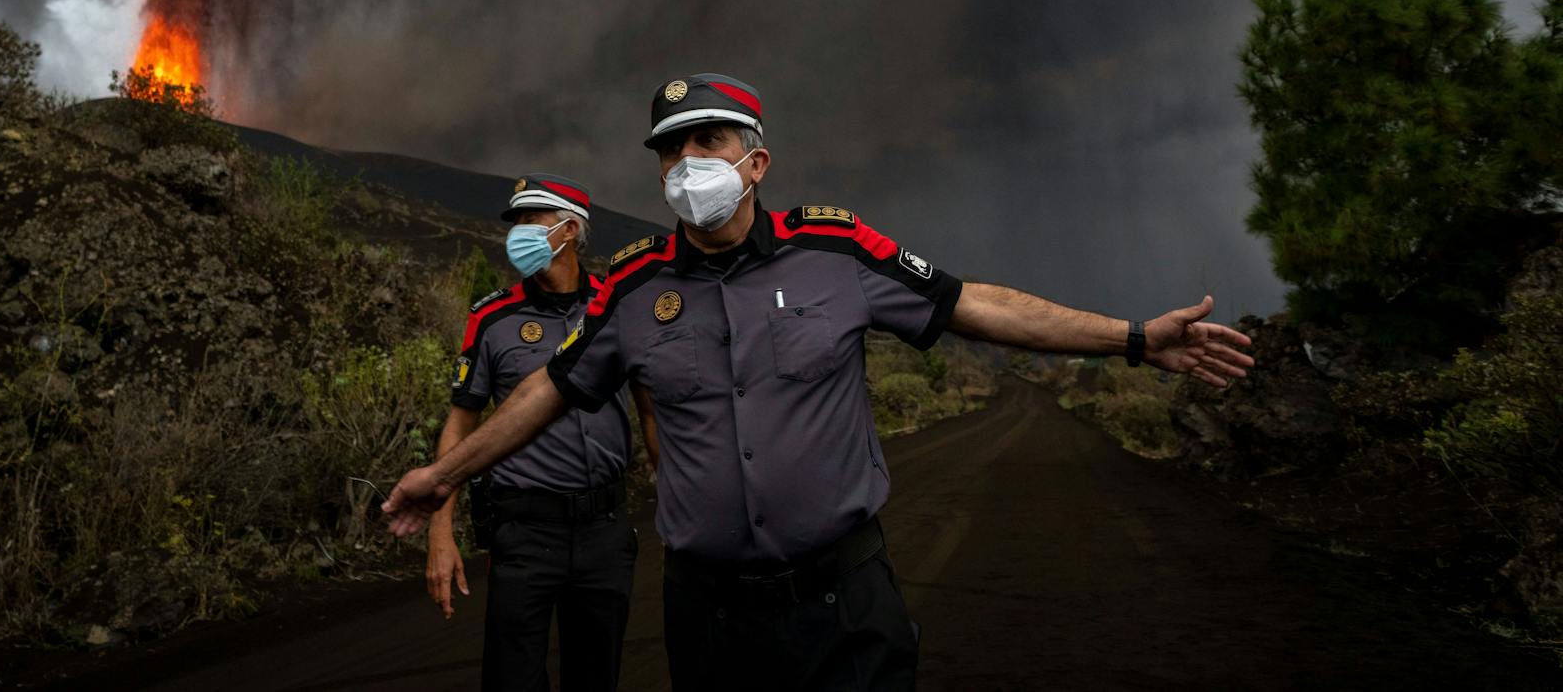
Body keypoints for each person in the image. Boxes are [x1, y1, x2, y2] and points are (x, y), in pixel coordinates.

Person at [387, 76, 1255, 691]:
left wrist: (1134, 338)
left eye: (708, 142)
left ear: (756, 162)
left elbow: (975, 304)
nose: (687, 162)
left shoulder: (836, 252)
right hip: (708, 617)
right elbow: (549, 390)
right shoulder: (632, 285)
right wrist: (443, 477)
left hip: (843, 607)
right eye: (671, 149)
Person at [426, 172, 658, 692]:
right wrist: (440, 533)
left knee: (595, 677)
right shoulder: (492, 318)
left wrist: (685, 506)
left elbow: (651, 413)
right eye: (515, 222)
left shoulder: (618, 308)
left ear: (571, 229)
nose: (518, 232)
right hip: (525, 533)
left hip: (605, 530)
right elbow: (460, 422)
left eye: (533, 220)